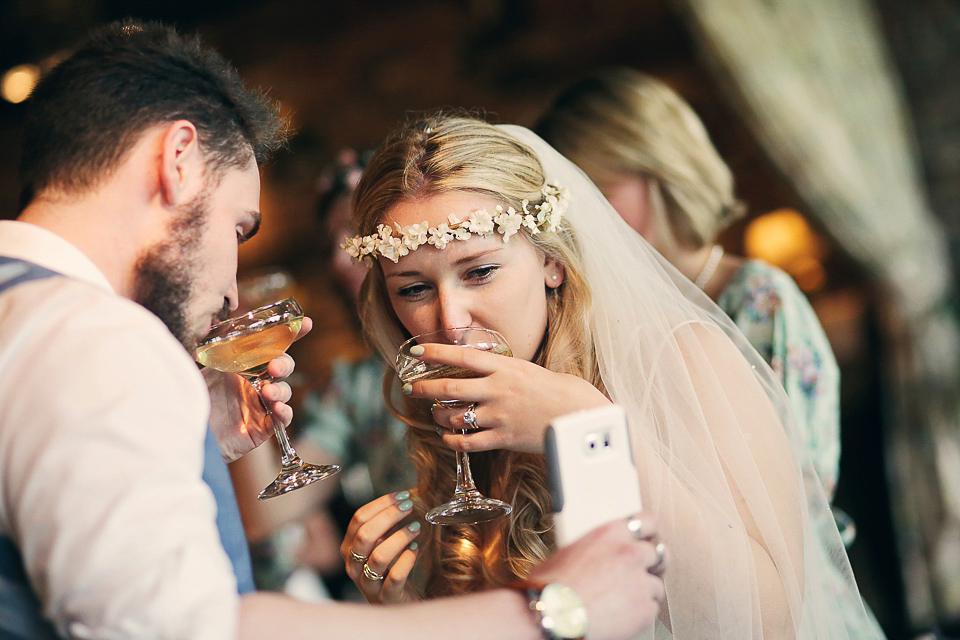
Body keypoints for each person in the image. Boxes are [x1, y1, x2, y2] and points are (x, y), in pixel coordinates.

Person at [0, 21, 665, 640]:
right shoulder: (91, 337)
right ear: (178, 160)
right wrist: (545, 613)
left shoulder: (29, 318)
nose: (232, 287)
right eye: (239, 228)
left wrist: (196, 441)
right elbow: (180, 626)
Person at [338, 113, 884, 638]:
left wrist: (590, 426)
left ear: (551, 260)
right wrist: (407, 611)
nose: (449, 320)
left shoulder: (684, 360)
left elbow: (767, 626)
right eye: (413, 288)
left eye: (480, 272)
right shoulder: (445, 419)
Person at [534, 67, 843, 506]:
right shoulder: (586, 306)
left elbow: (802, 483)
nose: (584, 223)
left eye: (599, 194)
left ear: (662, 174)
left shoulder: (760, 299)